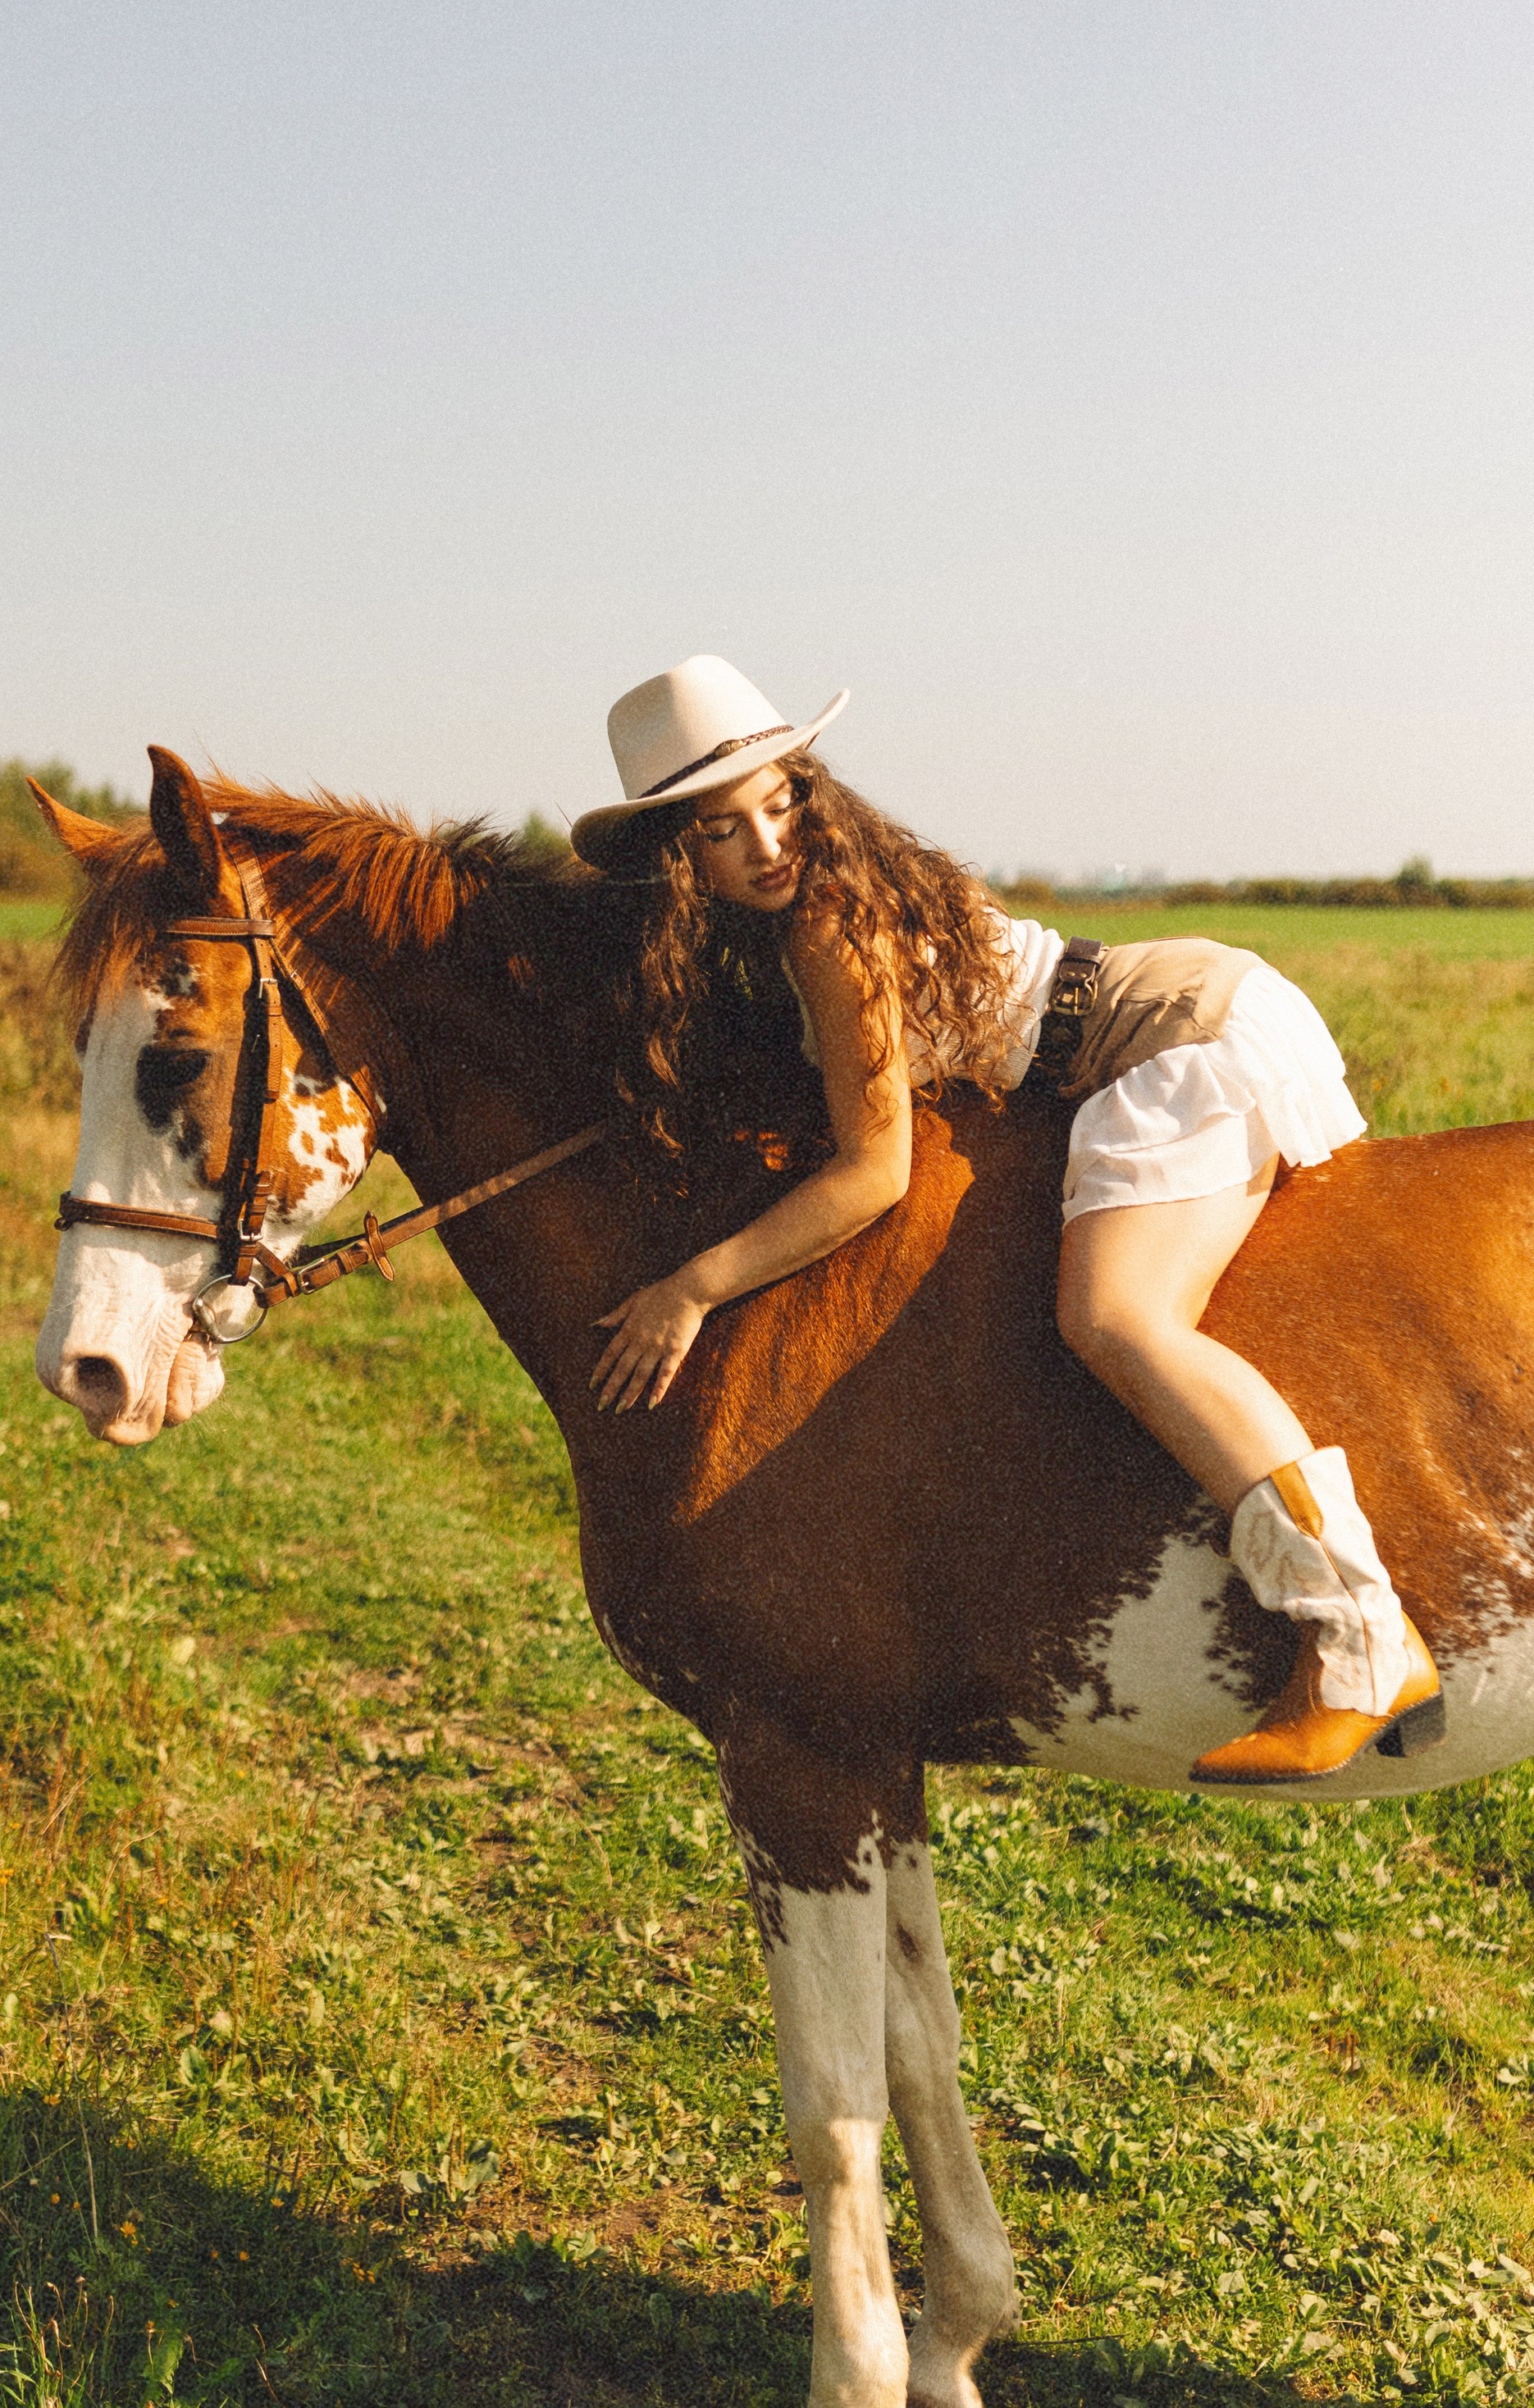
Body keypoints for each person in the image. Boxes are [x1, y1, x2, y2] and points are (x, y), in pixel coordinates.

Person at [568, 655, 1441, 1790]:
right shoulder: (802, 921)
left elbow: (873, 1172)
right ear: (678, 858)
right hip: (1173, 1011)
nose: (769, 845)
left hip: (1173, 1035)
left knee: (1118, 1320)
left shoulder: (829, 924)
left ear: (811, 790)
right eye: (722, 831)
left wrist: (695, 1286)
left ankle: (1362, 1640)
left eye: (781, 804)